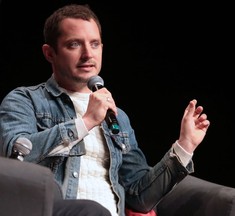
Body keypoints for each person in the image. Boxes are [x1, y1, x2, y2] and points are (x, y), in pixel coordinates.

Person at [0, 4, 210, 216]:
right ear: (50, 53)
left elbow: (140, 197)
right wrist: (85, 122)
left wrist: (185, 146)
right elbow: (15, 159)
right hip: (56, 211)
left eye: (94, 44)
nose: (87, 54)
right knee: (92, 211)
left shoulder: (117, 116)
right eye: (74, 44)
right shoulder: (25, 100)